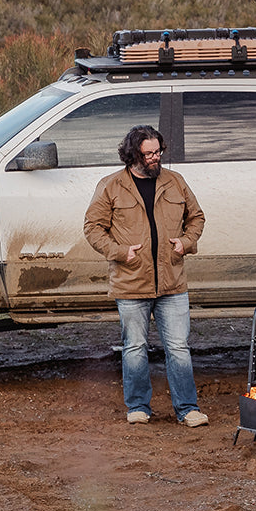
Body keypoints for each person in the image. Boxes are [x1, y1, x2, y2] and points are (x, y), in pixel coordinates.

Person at [83, 125, 210, 427]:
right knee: (135, 348)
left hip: (172, 282)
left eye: (158, 151)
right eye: (149, 153)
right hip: (131, 283)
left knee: (178, 348)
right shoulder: (111, 186)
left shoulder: (175, 182)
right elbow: (92, 227)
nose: (156, 158)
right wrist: (118, 251)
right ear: (132, 155)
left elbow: (197, 217)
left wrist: (186, 243)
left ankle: (188, 409)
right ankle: (138, 407)